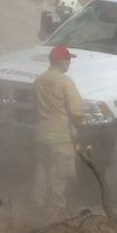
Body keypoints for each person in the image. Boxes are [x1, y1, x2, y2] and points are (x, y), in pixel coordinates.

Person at [32, 45, 84, 214]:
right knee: (59, 174)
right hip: (60, 136)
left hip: (41, 134)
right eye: (68, 60)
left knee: (42, 170)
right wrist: (79, 125)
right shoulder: (65, 82)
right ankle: (56, 210)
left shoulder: (39, 80)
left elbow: (33, 106)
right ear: (61, 62)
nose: (69, 63)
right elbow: (77, 111)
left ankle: (38, 205)